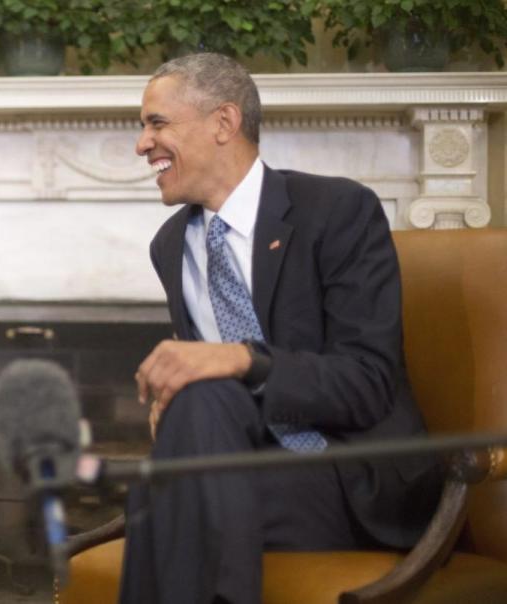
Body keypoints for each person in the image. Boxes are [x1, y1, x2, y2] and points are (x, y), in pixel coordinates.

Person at [121, 53, 442, 604]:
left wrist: (243, 360)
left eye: (157, 123)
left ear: (224, 122)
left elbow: (366, 383)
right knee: (189, 437)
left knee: (167, 498)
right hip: (241, 464)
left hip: (347, 473)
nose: (141, 144)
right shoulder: (170, 246)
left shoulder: (338, 211)